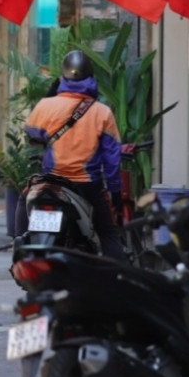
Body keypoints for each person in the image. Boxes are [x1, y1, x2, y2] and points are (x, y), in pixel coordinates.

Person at [20, 50, 124, 260]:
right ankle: (118, 282)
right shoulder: (102, 112)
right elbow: (112, 160)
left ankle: (22, 254)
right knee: (109, 233)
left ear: (63, 77)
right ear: (91, 78)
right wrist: (116, 193)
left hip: (51, 182)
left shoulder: (44, 105)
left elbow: (32, 136)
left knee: (24, 205)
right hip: (87, 185)